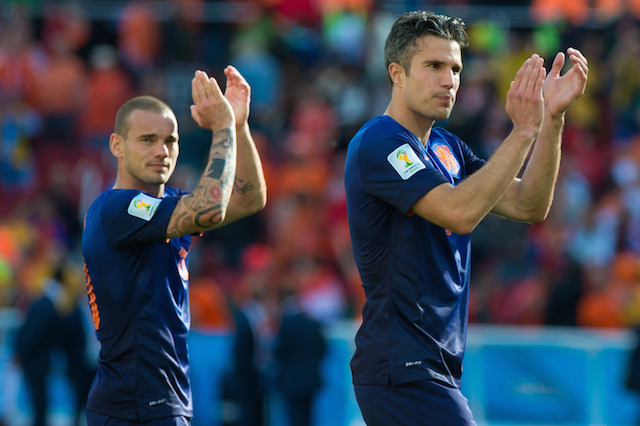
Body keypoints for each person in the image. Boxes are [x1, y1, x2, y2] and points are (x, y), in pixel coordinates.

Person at [344, 10, 588, 426]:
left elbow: (530, 205)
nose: (449, 80)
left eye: (455, 68)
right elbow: (459, 213)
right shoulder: (380, 141)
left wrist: (552, 120)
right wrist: (521, 132)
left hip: (433, 366)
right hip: (401, 365)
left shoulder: (448, 147)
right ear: (396, 73)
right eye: (434, 66)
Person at [81, 65, 266, 425]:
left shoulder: (168, 209)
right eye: (147, 139)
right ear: (117, 145)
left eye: (170, 140)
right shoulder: (116, 208)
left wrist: (240, 126)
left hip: (162, 400)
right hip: (132, 405)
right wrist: (223, 127)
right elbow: (211, 209)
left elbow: (250, 199)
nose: (162, 151)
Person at [273, 285, 327, 426]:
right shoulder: (313, 324)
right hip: (311, 381)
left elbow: (279, 352)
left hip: (291, 381)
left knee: (294, 418)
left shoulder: (286, 324)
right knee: (308, 418)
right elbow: (323, 350)